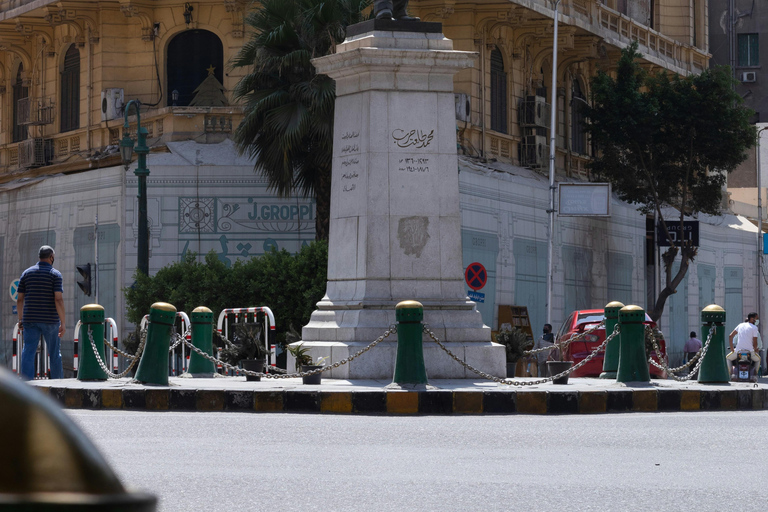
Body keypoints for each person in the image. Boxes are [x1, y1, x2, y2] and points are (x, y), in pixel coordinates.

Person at [18, 245, 66, 380]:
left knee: (28, 351)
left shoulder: (26, 274)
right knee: (55, 353)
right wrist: (63, 322)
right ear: (51, 257)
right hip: (50, 320)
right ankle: (58, 385)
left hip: (30, 319)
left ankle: (27, 384)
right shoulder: (55, 274)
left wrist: (21, 319)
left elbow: (20, 299)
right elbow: (59, 299)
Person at [727, 312, 760, 379]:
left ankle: (730, 374)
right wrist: (756, 349)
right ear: (752, 318)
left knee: (728, 358)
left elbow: (730, 336)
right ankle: (754, 376)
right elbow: (755, 341)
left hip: (738, 351)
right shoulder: (754, 328)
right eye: (756, 319)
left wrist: (732, 349)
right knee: (758, 360)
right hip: (750, 352)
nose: (756, 320)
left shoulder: (740, 325)